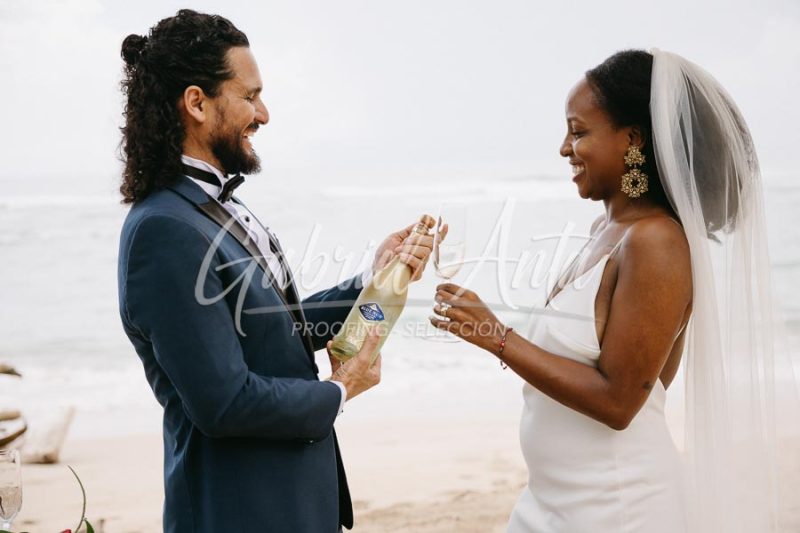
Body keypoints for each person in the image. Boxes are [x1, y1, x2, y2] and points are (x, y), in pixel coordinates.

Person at [431, 49, 788, 531]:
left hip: (618, 506)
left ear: (632, 139)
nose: (564, 149)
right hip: (553, 500)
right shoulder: (605, 232)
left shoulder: (657, 242)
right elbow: (646, 375)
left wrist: (497, 336)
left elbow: (623, 402)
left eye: (578, 132)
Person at [116, 10, 433, 533]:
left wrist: (374, 280)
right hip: (240, 511)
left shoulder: (210, 209)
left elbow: (274, 332)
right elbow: (224, 402)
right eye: (250, 96)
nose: (263, 114)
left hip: (293, 501)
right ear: (196, 103)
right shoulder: (164, 230)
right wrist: (340, 388)